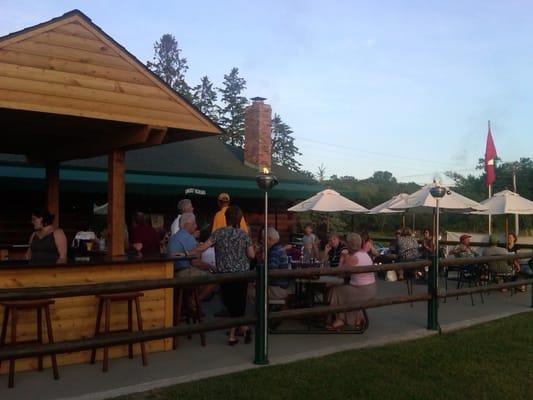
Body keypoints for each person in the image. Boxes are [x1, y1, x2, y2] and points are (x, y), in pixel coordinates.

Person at [198, 206, 255, 345]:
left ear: (226, 218)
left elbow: (203, 247)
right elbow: (252, 255)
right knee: (239, 304)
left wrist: (188, 252)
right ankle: (243, 329)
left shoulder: (218, 233)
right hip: (241, 274)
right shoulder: (244, 235)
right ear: (239, 219)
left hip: (224, 273)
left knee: (230, 304)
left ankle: (233, 334)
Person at [328, 233, 376, 330]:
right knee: (343, 288)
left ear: (349, 245)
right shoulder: (364, 254)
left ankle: (339, 319)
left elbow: (340, 274)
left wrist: (343, 258)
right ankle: (354, 318)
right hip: (371, 288)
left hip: (362, 290)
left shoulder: (353, 258)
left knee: (336, 291)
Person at [166, 213, 215, 302]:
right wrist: (211, 267)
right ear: (187, 225)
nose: (196, 226)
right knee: (214, 278)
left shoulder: (174, 237)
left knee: (201, 273)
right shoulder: (188, 237)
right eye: (194, 224)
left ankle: (189, 302)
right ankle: (194, 302)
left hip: (171, 273)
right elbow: (195, 262)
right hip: (182, 273)